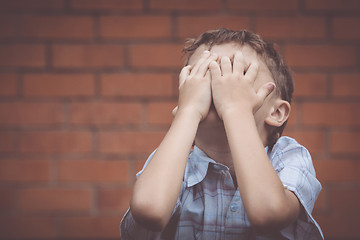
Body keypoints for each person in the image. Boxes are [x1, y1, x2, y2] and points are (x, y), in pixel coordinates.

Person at [120, 28, 323, 240]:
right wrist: (189, 112)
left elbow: (269, 213)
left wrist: (236, 110)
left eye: (238, 74)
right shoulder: (172, 164)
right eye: (203, 75)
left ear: (276, 112)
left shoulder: (289, 156)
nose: (218, 84)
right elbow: (149, 210)